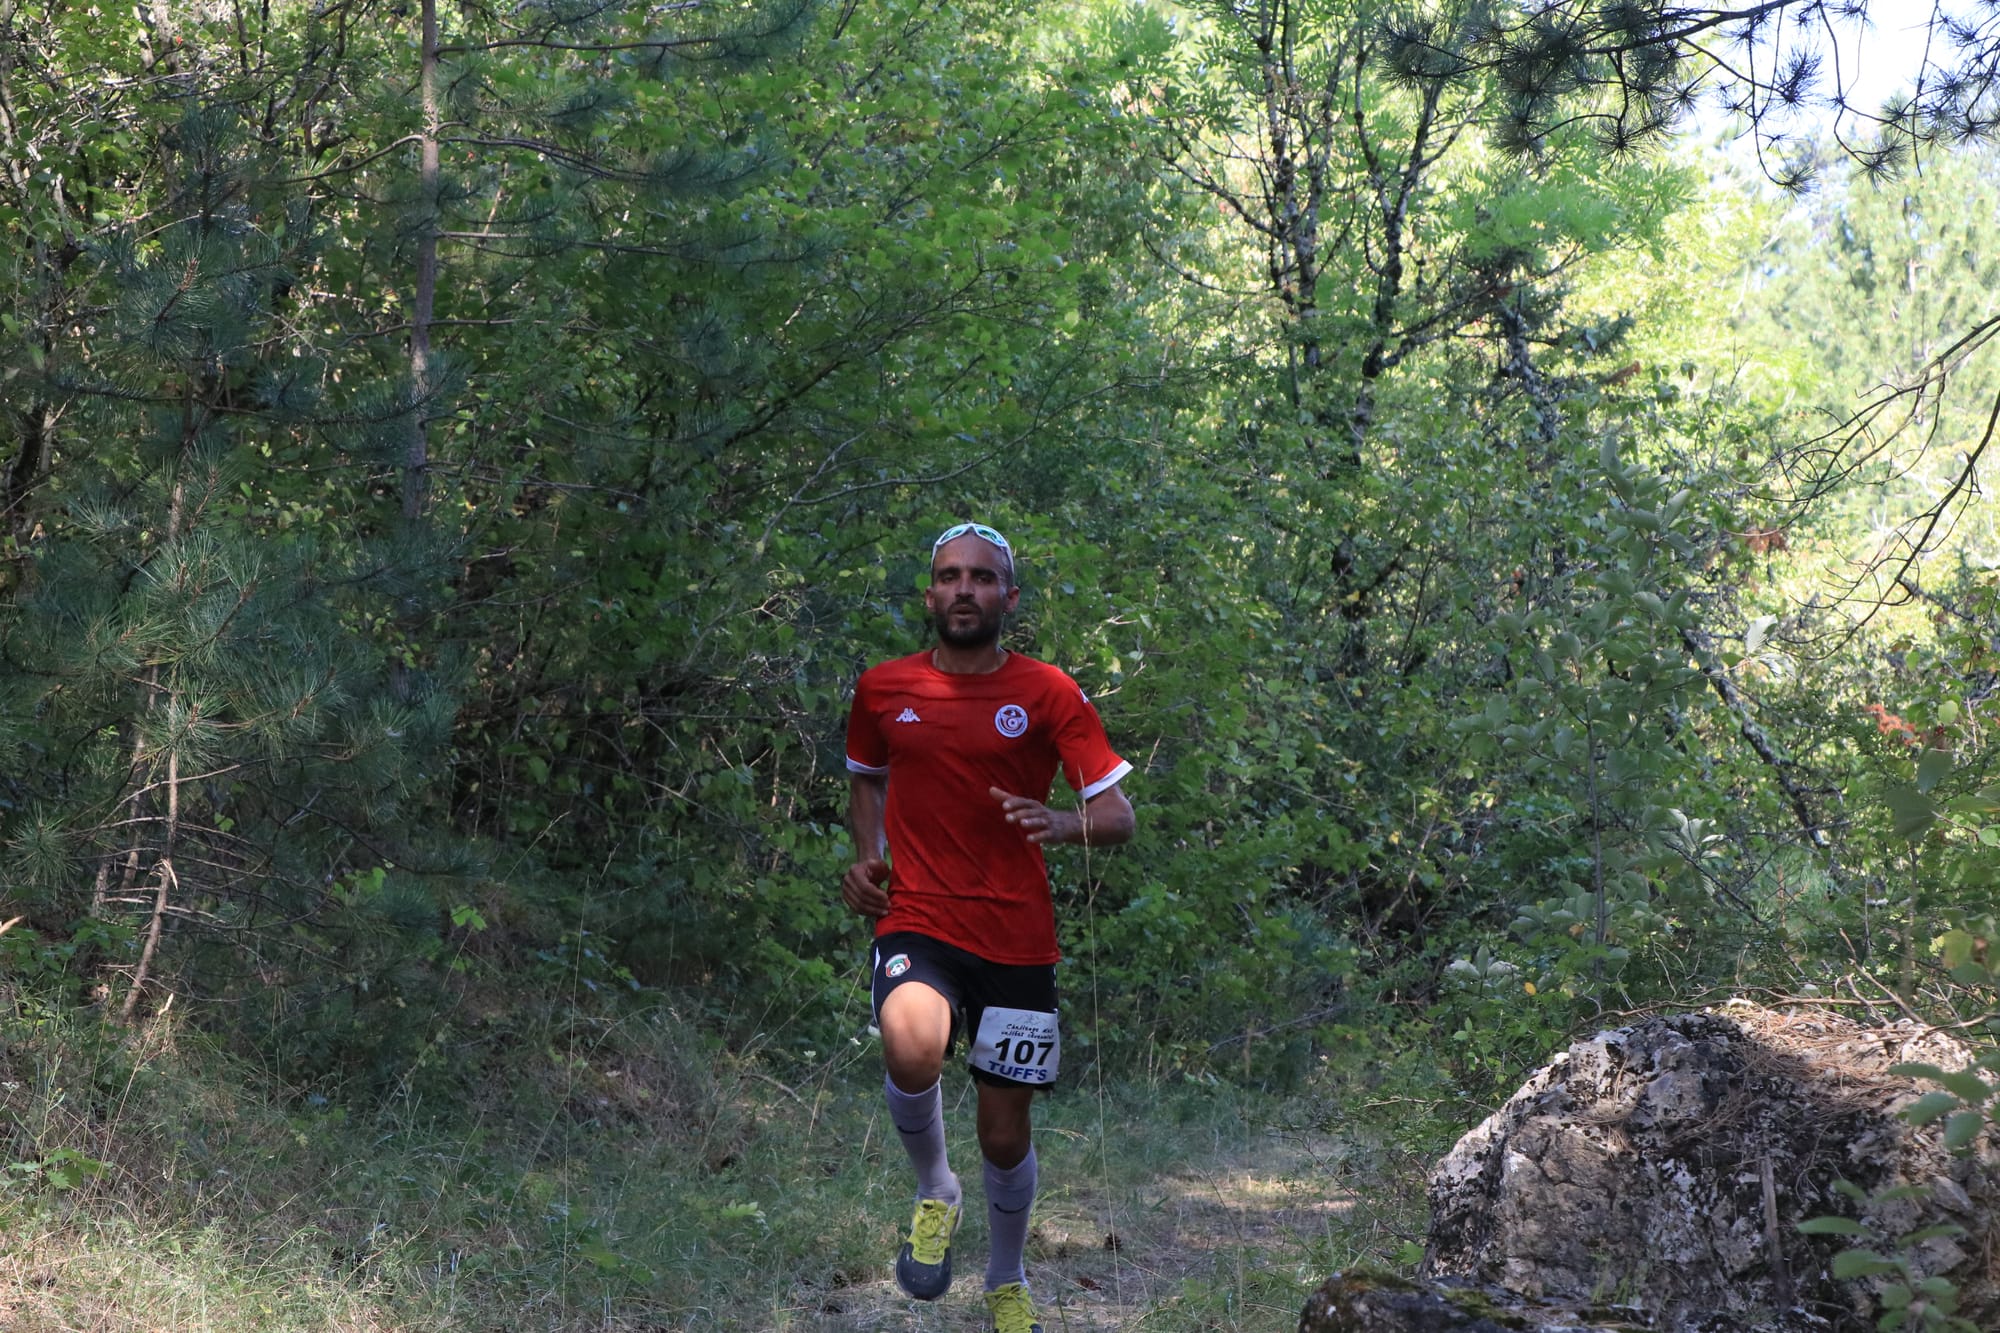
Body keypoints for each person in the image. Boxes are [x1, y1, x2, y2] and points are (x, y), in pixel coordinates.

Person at [842, 521, 1136, 1333]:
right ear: (930, 592)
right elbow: (866, 777)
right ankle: (934, 1188)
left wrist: (1059, 820)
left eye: (981, 577)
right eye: (949, 576)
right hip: (919, 917)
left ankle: (1007, 1279)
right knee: (910, 1034)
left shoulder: (1048, 691)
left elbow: (1117, 814)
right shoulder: (883, 688)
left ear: (1009, 596)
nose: (964, 589)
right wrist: (867, 857)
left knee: (1004, 1135)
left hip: (1017, 938)